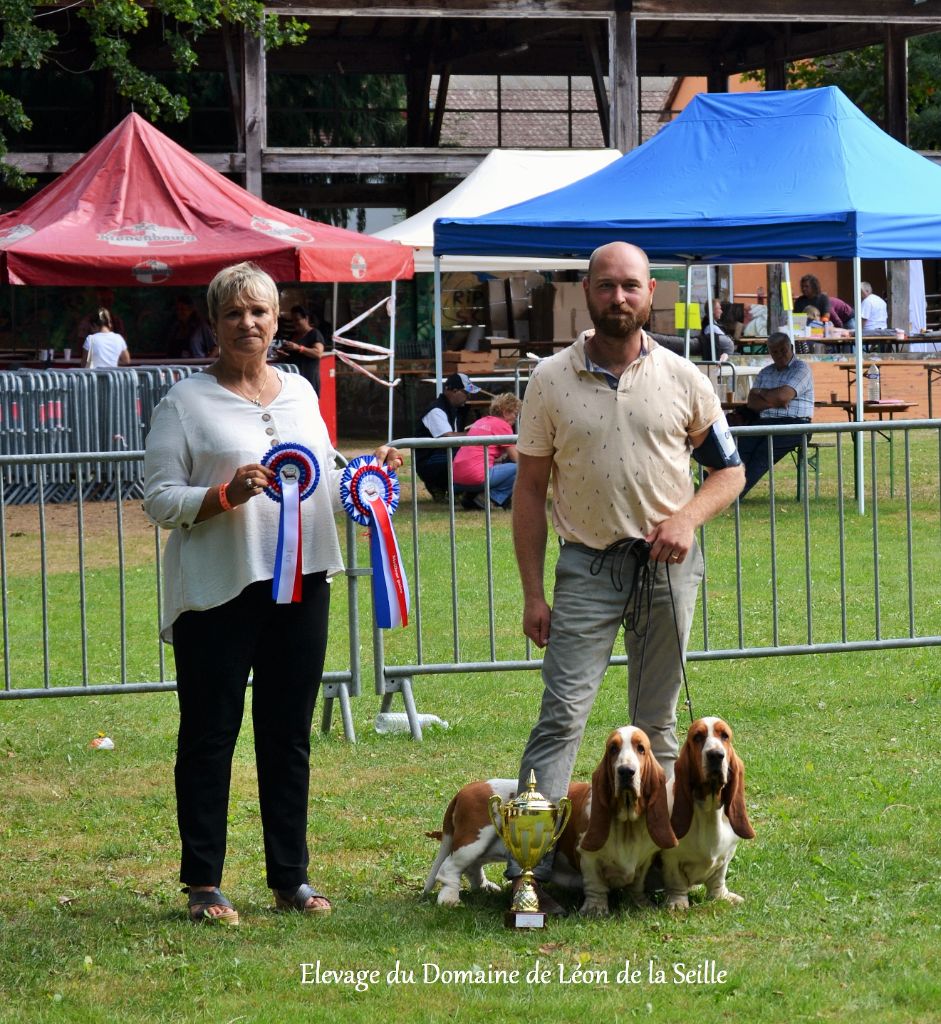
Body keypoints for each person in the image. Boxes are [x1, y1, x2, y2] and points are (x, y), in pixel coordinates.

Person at [143, 261, 401, 925]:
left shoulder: (301, 395)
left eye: (259, 312)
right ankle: (203, 882)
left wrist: (368, 478)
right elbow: (159, 499)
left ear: (277, 320)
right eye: (233, 313)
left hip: (303, 585)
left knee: (287, 737)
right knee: (210, 736)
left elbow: (325, 478)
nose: (247, 323)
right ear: (214, 323)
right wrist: (225, 493)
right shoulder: (184, 402)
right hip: (218, 590)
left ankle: (291, 878)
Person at [508, 241, 744, 911]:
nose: (619, 297)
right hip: (585, 566)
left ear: (650, 295)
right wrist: (532, 591)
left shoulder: (682, 376)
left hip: (667, 566)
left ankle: (658, 869)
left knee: (658, 726)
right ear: (586, 290)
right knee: (560, 719)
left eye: (631, 286)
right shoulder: (550, 379)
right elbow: (528, 491)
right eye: (607, 285)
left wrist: (686, 519)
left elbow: (728, 471)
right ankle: (537, 871)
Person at [735, 332, 815, 498]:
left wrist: (764, 395)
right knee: (740, 448)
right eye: (775, 352)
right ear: (770, 353)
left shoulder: (802, 368)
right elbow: (752, 402)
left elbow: (783, 396)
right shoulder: (765, 371)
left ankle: (734, 495)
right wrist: (776, 399)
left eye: (783, 350)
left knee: (763, 454)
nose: (779, 355)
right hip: (764, 421)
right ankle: (725, 490)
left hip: (796, 424)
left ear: (791, 348)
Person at [414, 372, 479, 501]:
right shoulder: (436, 410)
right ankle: (439, 484)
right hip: (428, 463)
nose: (468, 396)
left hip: (439, 458)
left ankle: (452, 488)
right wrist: (474, 435)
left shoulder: (454, 409)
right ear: (454, 391)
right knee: (464, 455)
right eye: (466, 393)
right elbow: (448, 438)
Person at [451, 392, 522, 510]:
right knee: (524, 468)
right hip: (477, 477)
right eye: (515, 413)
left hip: (457, 478)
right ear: (505, 412)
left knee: (498, 467)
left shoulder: (480, 422)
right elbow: (517, 459)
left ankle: (471, 498)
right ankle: (491, 499)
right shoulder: (502, 425)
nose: (516, 417)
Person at [276, 305, 325, 394]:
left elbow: (318, 353)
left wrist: (299, 348)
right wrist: (282, 355)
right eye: (293, 320)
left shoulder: (314, 334)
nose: (294, 323)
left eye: (297, 319)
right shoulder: (293, 335)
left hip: (308, 378)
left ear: (306, 318)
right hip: (293, 379)